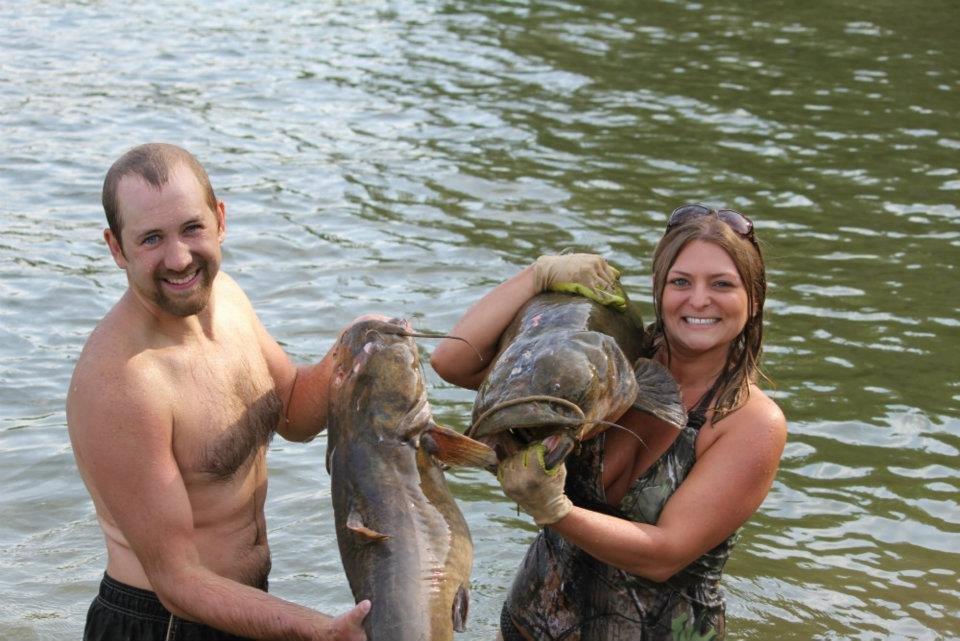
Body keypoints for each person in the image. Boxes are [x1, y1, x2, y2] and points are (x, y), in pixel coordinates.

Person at [430, 206, 788, 640]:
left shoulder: (752, 423)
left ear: (753, 300)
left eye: (722, 284)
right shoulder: (601, 362)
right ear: (659, 290)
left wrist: (553, 509)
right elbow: (452, 361)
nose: (698, 300)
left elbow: (664, 554)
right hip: (528, 624)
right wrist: (539, 274)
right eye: (680, 282)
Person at [66, 143, 370, 641]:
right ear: (116, 248)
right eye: (151, 240)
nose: (179, 258)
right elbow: (177, 580)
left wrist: (356, 348)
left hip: (245, 608)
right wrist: (321, 630)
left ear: (220, 219)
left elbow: (292, 411)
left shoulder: (227, 299)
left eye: (191, 228)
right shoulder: (121, 383)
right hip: (162, 622)